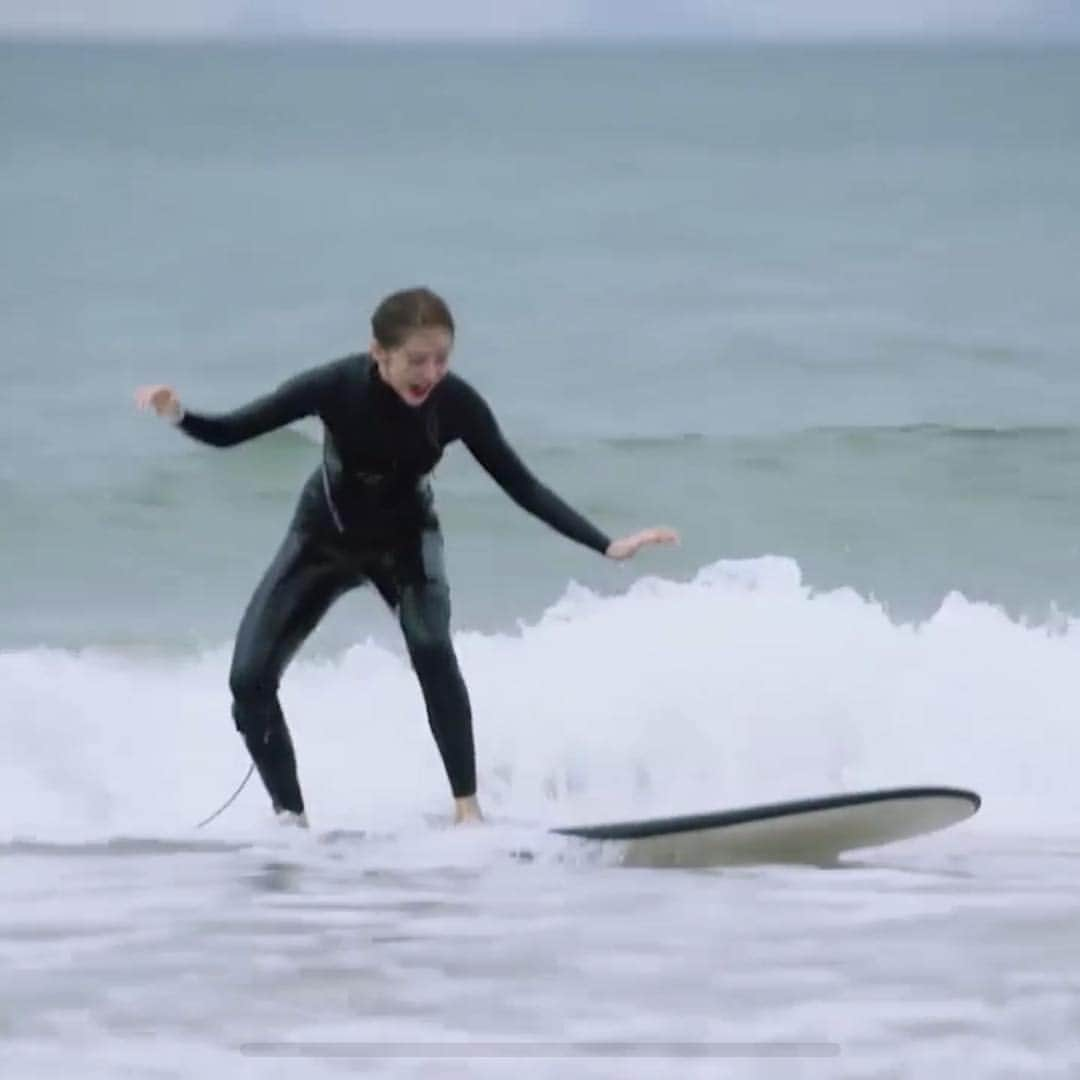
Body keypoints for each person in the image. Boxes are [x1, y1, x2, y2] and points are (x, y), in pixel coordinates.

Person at [135, 287, 677, 828]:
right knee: (248, 683)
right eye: (417, 360)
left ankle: (468, 814)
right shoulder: (336, 386)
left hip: (406, 541)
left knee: (431, 645)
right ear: (380, 351)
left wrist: (606, 544)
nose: (430, 373)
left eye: (441, 359)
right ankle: (291, 825)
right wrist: (178, 413)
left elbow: (521, 484)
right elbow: (234, 431)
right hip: (324, 535)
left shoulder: (455, 404)